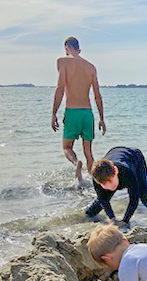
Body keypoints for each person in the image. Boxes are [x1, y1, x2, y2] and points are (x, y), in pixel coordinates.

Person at [51, 36, 106, 185]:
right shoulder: (91, 67)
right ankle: (96, 184)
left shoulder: (62, 62)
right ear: (79, 49)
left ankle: (76, 163)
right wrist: (101, 118)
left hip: (73, 112)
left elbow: (60, 88)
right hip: (87, 114)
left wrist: (54, 113)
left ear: (66, 47)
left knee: (67, 147)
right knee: (89, 153)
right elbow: (97, 96)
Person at [86, 147, 147, 229]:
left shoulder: (128, 173)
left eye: (110, 181)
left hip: (135, 158)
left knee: (144, 196)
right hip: (114, 155)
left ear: (116, 171)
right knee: (104, 197)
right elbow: (102, 199)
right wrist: (112, 219)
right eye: (104, 184)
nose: (109, 186)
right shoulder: (97, 177)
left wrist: (125, 221)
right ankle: (88, 216)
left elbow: (134, 200)